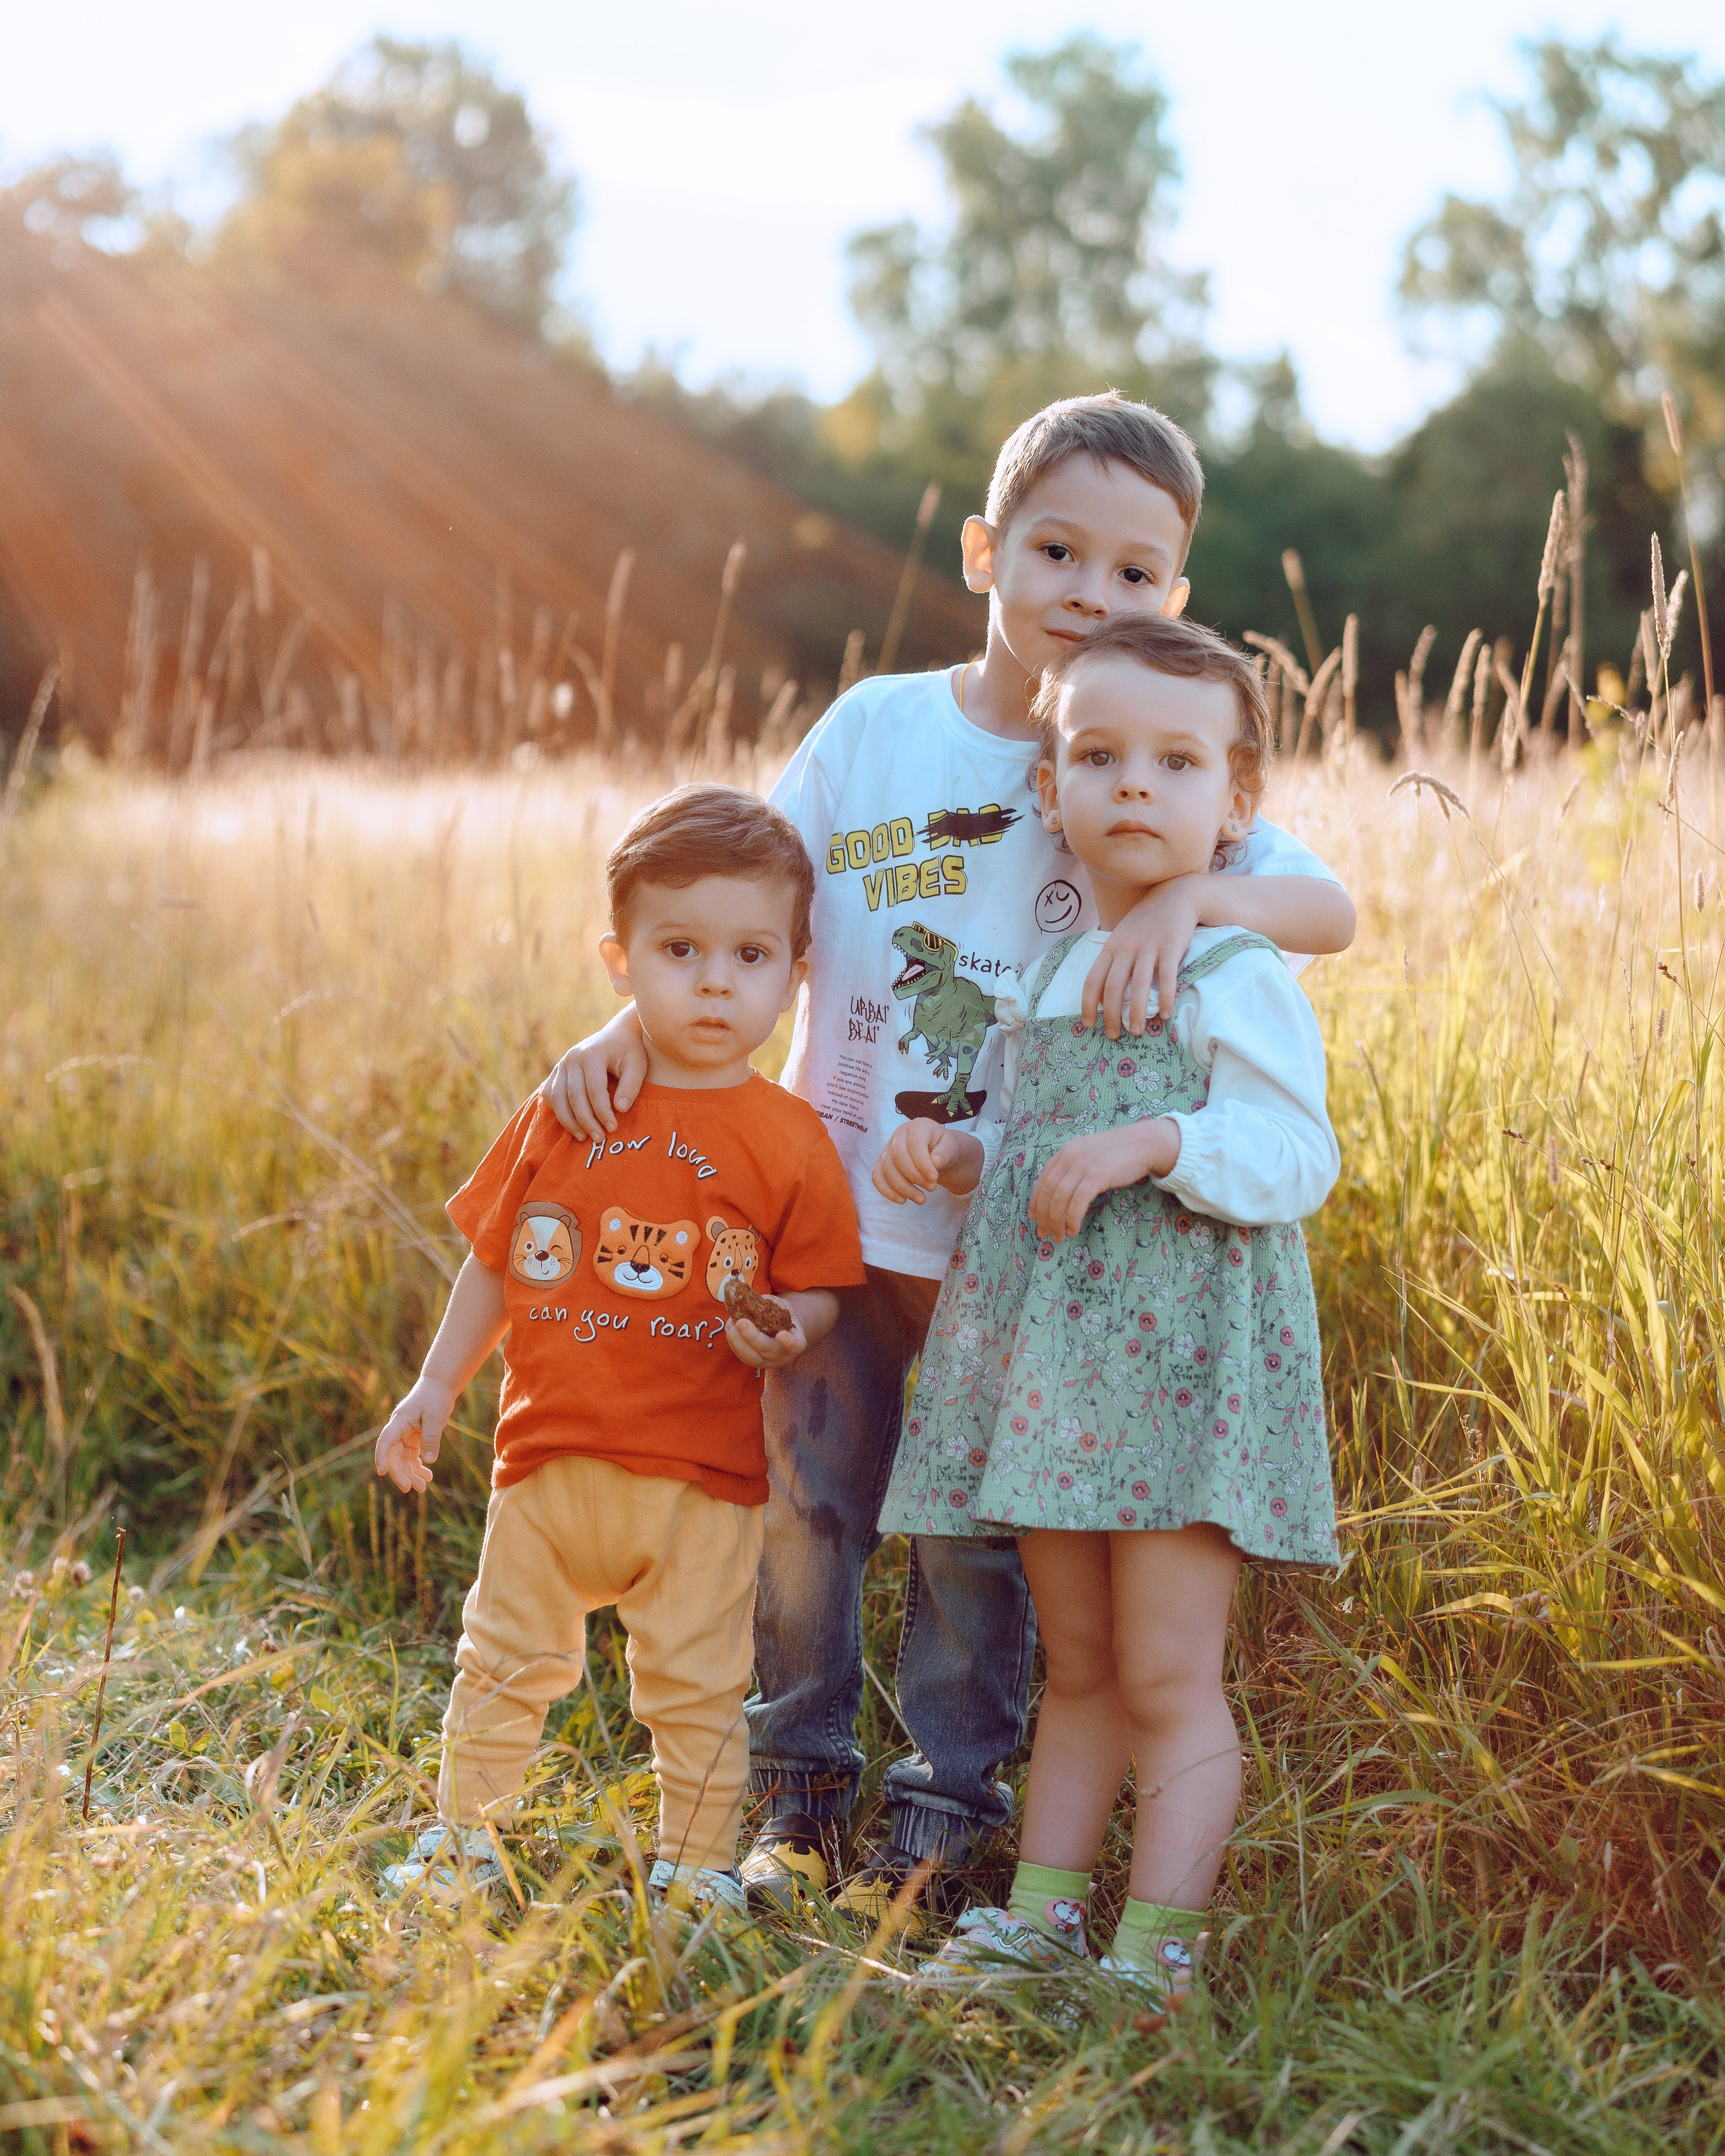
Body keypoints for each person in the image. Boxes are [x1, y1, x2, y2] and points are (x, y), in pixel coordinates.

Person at [540, 392, 1355, 1932]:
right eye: (1055, 550)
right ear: (984, 549)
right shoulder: (882, 730)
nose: (1089, 595)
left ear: (1172, 594)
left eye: (1132, 574)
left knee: (978, 1543)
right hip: (832, 1214)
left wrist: (1198, 910)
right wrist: (623, 1032)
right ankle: (792, 1801)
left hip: (1016, 1253)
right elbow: (746, 897)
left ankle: (940, 1828)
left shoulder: (1131, 753)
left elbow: (1327, 912)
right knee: (808, 1511)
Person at [873, 611, 1340, 2013]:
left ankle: (1157, 1949)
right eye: (1098, 755)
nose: (1133, 785)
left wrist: (1153, 1143)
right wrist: (968, 1156)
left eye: (1175, 761)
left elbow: (1292, 1152)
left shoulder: (1231, 969)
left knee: (1160, 1666)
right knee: (1072, 1659)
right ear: (1050, 787)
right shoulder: (1054, 972)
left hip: (1180, 1371)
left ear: (1232, 806)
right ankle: (1038, 1915)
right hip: (1059, 1373)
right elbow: (1038, 1138)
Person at [373, 785, 865, 1913]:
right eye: (679, 949)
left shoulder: (789, 1139)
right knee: (499, 1664)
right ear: (620, 958)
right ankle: (465, 1844)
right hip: (547, 1459)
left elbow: (826, 1286)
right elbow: (498, 1256)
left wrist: (793, 1329)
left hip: (702, 1480)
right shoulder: (577, 1102)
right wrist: (436, 1383)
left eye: (749, 956)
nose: (712, 981)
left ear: (794, 975)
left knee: (698, 1687)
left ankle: (695, 1868)